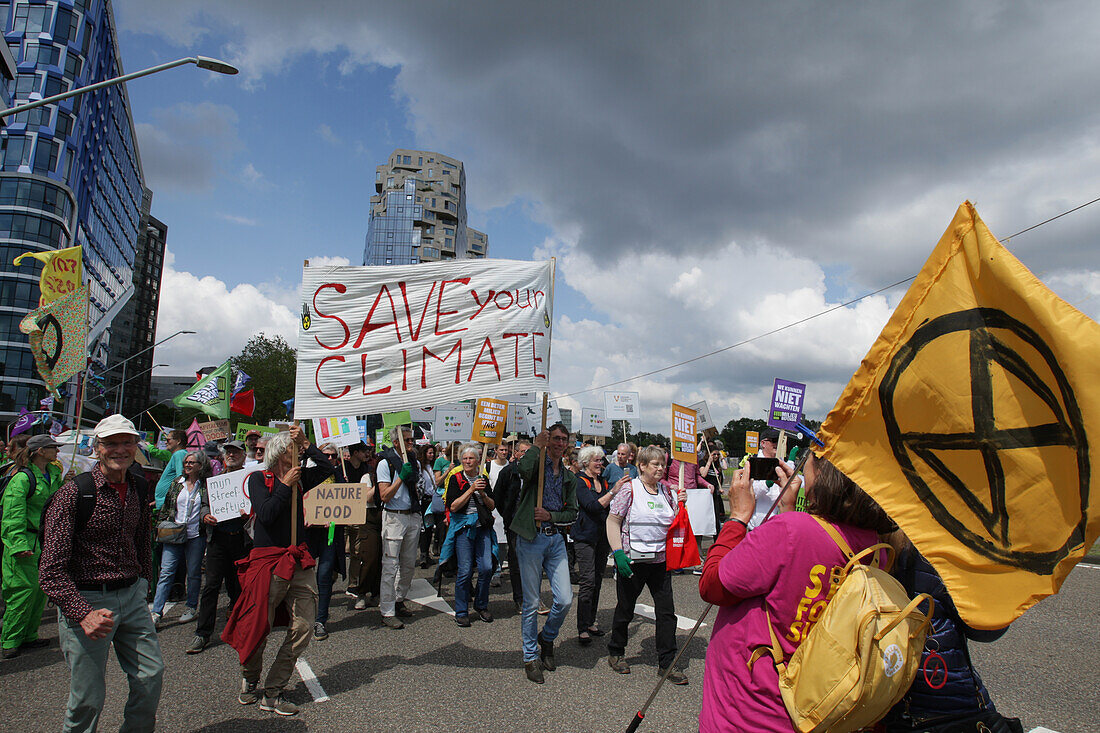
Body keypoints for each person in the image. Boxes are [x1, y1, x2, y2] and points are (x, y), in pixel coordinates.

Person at [697, 452, 895, 732]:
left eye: (809, 459)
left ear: (826, 474)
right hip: (813, 703)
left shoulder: (792, 531)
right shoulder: (876, 546)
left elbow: (713, 585)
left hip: (750, 708)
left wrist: (738, 517)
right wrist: (788, 508)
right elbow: (798, 571)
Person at [39, 414, 164, 732]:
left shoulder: (137, 485)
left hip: (131, 595)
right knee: (87, 700)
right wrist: (83, 613)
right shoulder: (73, 495)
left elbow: (141, 539)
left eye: (126, 442)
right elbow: (51, 570)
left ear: (136, 446)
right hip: (87, 600)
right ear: (97, 448)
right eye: (111, 443)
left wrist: (143, 586)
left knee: (151, 678)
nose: (119, 449)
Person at [221, 426, 333, 717]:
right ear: (280, 453)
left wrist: (308, 444)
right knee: (260, 625)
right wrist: (285, 485)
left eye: (297, 450)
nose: (296, 454)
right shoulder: (260, 479)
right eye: (292, 449)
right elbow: (267, 515)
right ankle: (250, 675)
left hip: (298, 561)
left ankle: (274, 690)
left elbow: (326, 467)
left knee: (304, 626)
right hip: (269, 562)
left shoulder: (301, 477)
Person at [881, 534, 1022, 733]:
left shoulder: (864, 539)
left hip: (884, 699)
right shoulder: (939, 546)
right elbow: (986, 630)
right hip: (950, 699)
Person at [605, 444, 689, 683]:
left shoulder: (667, 491)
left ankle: (667, 662)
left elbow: (677, 523)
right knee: (625, 608)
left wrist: (682, 503)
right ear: (642, 466)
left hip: (660, 562)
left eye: (663, 464)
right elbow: (613, 522)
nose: (661, 468)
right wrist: (618, 553)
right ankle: (617, 651)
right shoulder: (629, 490)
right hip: (632, 560)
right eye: (655, 464)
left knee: (666, 613)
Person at [512, 423, 578, 684]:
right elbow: (522, 471)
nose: (560, 443)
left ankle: (547, 637)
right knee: (530, 603)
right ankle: (530, 656)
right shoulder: (536, 465)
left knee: (564, 599)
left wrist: (551, 515)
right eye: (555, 439)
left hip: (556, 540)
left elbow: (572, 512)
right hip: (531, 538)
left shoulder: (569, 476)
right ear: (548, 440)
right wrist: (536, 447)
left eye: (564, 439)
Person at [1, 433, 64, 658]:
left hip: (44, 541)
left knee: (39, 591)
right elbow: (12, 515)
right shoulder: (22, 479)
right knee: (21, 591)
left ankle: (29, 636)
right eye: (53, 447)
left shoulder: (53, 474)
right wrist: (17, 545)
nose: (57, 451)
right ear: (40, 451)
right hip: (24, 542)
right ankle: (10, 640)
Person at [189, 440, 252, 653]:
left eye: (236, 452)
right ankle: (202, 633)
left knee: (239, 587)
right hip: (218, 540)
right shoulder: (214, 481)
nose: (231, 455)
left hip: (241, 540)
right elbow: (204, 505)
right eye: (229, 452)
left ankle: (241, 630)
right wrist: (205, 515)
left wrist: (249, 514)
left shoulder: (251, 479)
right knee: (211, 587)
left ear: (244, 456)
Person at [574, 445, 629, 646]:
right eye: (597, 461)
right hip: (585, 537)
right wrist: (614, 491)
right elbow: (593, 506)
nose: (601, 464)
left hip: (602, 537)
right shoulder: (579, 481)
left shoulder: (602, 481)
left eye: (602, 460)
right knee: (587, 581)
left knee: (597, 579)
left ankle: (590, 622)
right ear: (586, 462)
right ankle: (582, 627)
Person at [151, 449, 211, 625]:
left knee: (193, 573)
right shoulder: (177, 483)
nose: (187, 465)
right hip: (174, 534)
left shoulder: (205, 485)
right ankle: (156, 611)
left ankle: (191, 607)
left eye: (191, 462)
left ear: (201, 466)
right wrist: (161, 525)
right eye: (186, 462)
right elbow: (168, 505)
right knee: (166, 573)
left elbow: (208, 506)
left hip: (195, 535)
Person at [442, 443, 496, 627]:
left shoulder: (483, 479)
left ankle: (481, 605)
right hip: (464, 529)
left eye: (471, 458)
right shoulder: (456, 478)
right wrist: (471, 490)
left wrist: (482, 493)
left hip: (482, 528)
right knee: (465, 571)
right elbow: (454, 506)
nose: (467, 461)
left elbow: (492, 506)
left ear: (477, 461)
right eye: (464, 458)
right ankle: (462, 610)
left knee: (487, 568)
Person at [376, 426, 423, 630]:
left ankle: (398, 599)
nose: (411, 443)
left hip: (412, 515)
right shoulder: (385, 464)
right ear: (397, 443)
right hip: (394, 517)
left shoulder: (415, 462)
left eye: (412, 440)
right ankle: (387, 610)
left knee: (409, 564)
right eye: (407, 440)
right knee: (390, 566)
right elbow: (384, 495)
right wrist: (401, 477)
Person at [308, 442, 346, 642]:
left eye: (332, 456)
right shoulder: (309, 474)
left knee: (324, 576)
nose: (329, 459)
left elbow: (348, 499)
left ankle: (320, 619)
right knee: (303, 577)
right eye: (325, 455)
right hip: (309, 533)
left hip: (329, 532)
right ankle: (302, 616)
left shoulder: (339, 476)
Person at [344, 441, 381, 610]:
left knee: (382, 558)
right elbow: (367, 497)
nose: (370, 459)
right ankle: (360, 590)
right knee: (366, 556)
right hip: (366, 516)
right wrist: (380, 485)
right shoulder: (367, 476)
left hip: (384, 517)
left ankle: (377, 592)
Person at [495, 439, 530, 613]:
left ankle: (532, 596)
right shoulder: (508, 472)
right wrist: (508, 515)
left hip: (532, 524)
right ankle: (520, 599)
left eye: (528, 452)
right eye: (522, 452)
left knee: (533, 562)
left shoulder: (536, 473)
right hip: (514, 524)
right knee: (515, 562)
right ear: (515, 453)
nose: (525, 456)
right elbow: (498, 498)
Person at [147, 428, 187, 509]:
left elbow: (180, 479)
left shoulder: (180, 453)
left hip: (168, 505)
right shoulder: (177, 454)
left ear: (178, 441)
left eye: (168, 440)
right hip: (164, 502)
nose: (165, 442)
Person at [416, 443, 439, 568]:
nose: (431, 455)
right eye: (429, 453)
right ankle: (423, 555)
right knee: (424, 528)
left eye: (433, 453)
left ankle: (427, 555)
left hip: (432, 499)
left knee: (430, 528)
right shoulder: (421, 467)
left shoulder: (432, 466)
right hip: (424, 501)